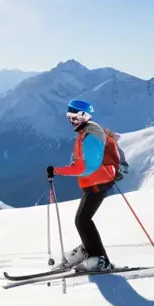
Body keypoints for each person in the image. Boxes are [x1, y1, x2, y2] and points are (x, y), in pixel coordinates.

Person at [47, 99, 121, 272]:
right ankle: (90, 250)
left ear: (84, 116)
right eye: (69, 117)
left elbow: (87, 167)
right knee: (82, 220)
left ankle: (99, 259)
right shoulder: (85, 133)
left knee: (82, 220)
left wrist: (58, 171)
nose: (71, 121)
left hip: (99, 182)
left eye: (74, 118)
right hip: (93, 182)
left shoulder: (91, 136)